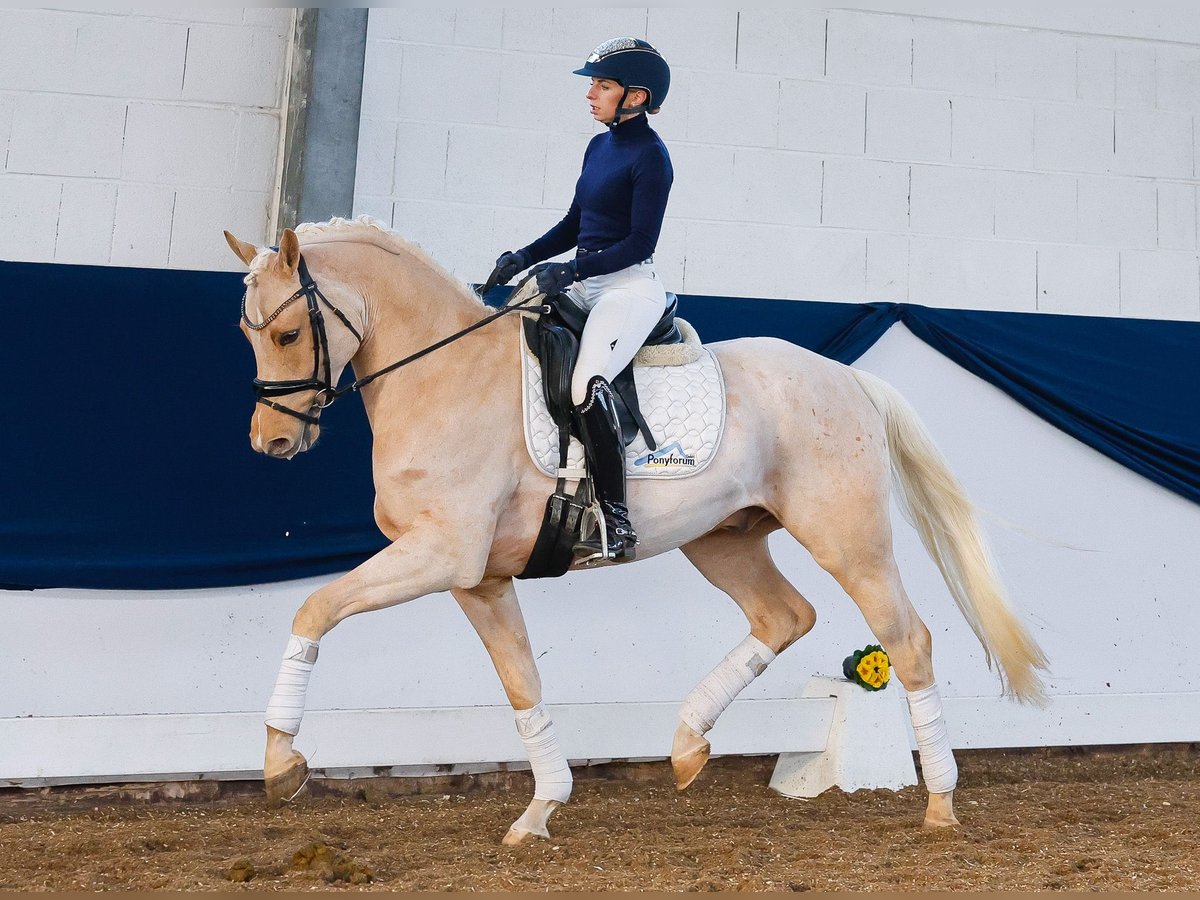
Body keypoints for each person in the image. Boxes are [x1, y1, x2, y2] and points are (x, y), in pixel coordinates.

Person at [488, 37, 674, 560]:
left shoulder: (652, 158)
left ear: (635, 97)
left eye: (602, 85)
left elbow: (639, 242)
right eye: (593, 83)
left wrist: (571, 268)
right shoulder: (599, 146)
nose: (590, 94)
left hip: (627, 286)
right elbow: (576, 224)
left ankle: (616, 517)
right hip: (586, 278)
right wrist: (522, 257)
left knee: (585, 383)